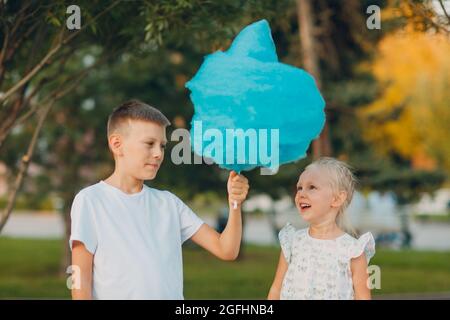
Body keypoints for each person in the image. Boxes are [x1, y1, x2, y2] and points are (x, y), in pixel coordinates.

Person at [70, 99, 249, 299]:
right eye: (149, 144)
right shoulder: (91, 201)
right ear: (117, 144)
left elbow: (227, 250)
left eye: (162, 146)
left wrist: (235, 203)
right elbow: (80, 281)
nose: (158, 154)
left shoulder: (169, 204)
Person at [268, 157, 375, 300]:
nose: (301, 193)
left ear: (337, 199)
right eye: (299, 188)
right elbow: (276, 289)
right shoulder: (293, 242)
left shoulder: (352, 251)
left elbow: (363, 297)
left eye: (312, 187)